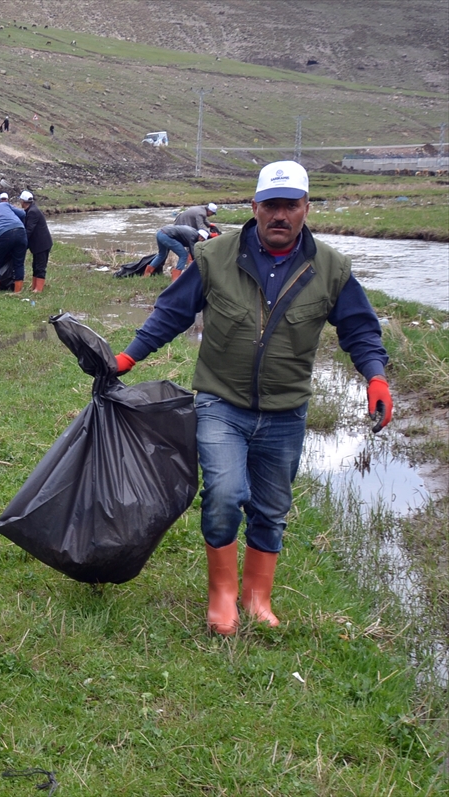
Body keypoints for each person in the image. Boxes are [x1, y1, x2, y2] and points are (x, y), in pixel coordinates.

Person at [114, 160, 391, 636]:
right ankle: (222, 595)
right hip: (221, 403)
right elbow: (172, 313)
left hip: (286, 411)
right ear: (255, 207)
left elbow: (360, 330)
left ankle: (257, 597)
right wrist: (128, 357)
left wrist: (376, 378)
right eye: (271, 205)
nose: (280, 215)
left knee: (271, 506)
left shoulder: (331, 269)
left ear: (306, 208)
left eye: (290, 205)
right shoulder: (213, 256)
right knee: (224, 494)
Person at [18, 190, 53, 293]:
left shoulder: (32, 212)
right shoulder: (30, 210)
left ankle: (38, 289)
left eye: (20, 200)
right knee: (35, 266)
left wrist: (21, 243)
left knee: (40, 266)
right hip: (38, 245)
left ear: (23, 201)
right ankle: (34, 287)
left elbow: (29, 230)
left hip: (42, 244)